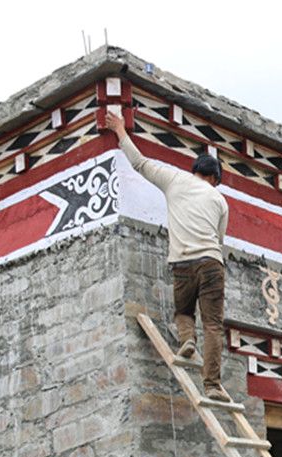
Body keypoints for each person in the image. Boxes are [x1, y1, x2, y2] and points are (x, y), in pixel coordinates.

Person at [105, 111, 232, 402]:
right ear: (214, 178)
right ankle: (212, 385)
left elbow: (139, 163)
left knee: (183, 311)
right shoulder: (219, 199)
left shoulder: (174, 180)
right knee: (213, 325)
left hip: (182, 262)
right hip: (211, 262)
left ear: (194, 170)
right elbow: (219, 239)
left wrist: (120, 130)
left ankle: (187, 340)